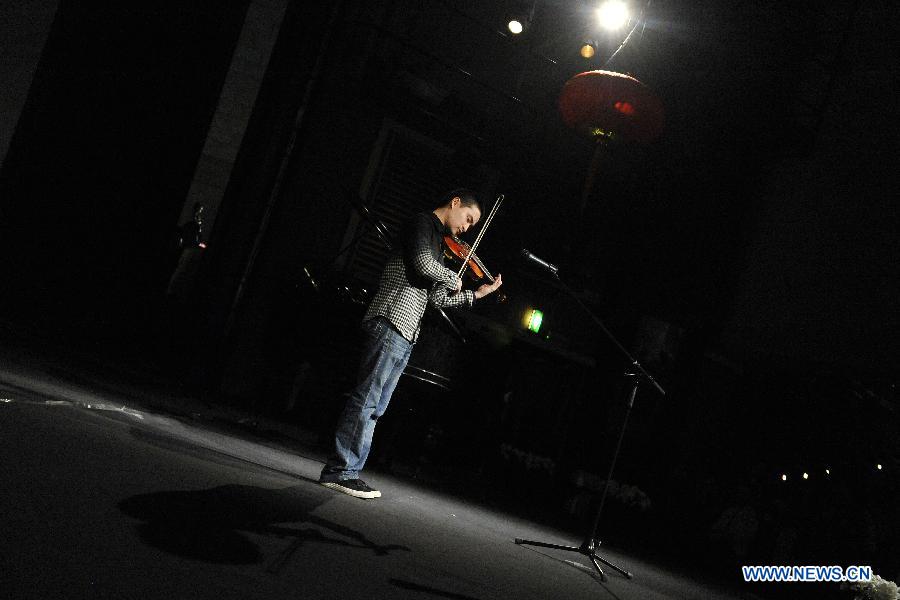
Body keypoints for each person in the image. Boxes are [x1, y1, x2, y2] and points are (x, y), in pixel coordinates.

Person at [318, 189, 504, 498]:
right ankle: (339, 471)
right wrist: (450, 274)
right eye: (468, 219)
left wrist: (477, 294)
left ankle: (349, 470)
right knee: (366, 399)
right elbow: (420, 264)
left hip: (406, 331)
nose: (467, 229)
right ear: (455, 203)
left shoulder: (440, 244)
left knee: (376, 406)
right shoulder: (422, 224)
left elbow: (436, 298)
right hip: (391, 318)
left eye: (472, 225)